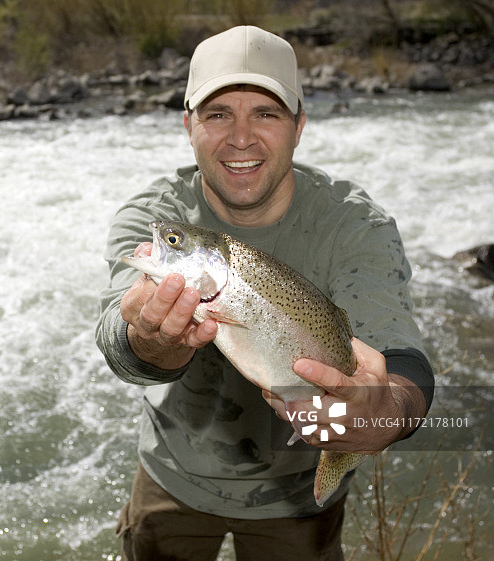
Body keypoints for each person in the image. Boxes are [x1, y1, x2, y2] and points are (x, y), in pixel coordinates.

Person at [95, 25, 434, 561]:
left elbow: (402, 359)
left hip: (300, 499)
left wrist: (385, 415)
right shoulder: (155, 219)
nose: (241, 138)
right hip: (171, 479)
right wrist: (145, 338)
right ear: (189, 125)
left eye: (267, 113)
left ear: (299, 125)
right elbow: (119, 340)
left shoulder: (355, 226)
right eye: (218, 114)